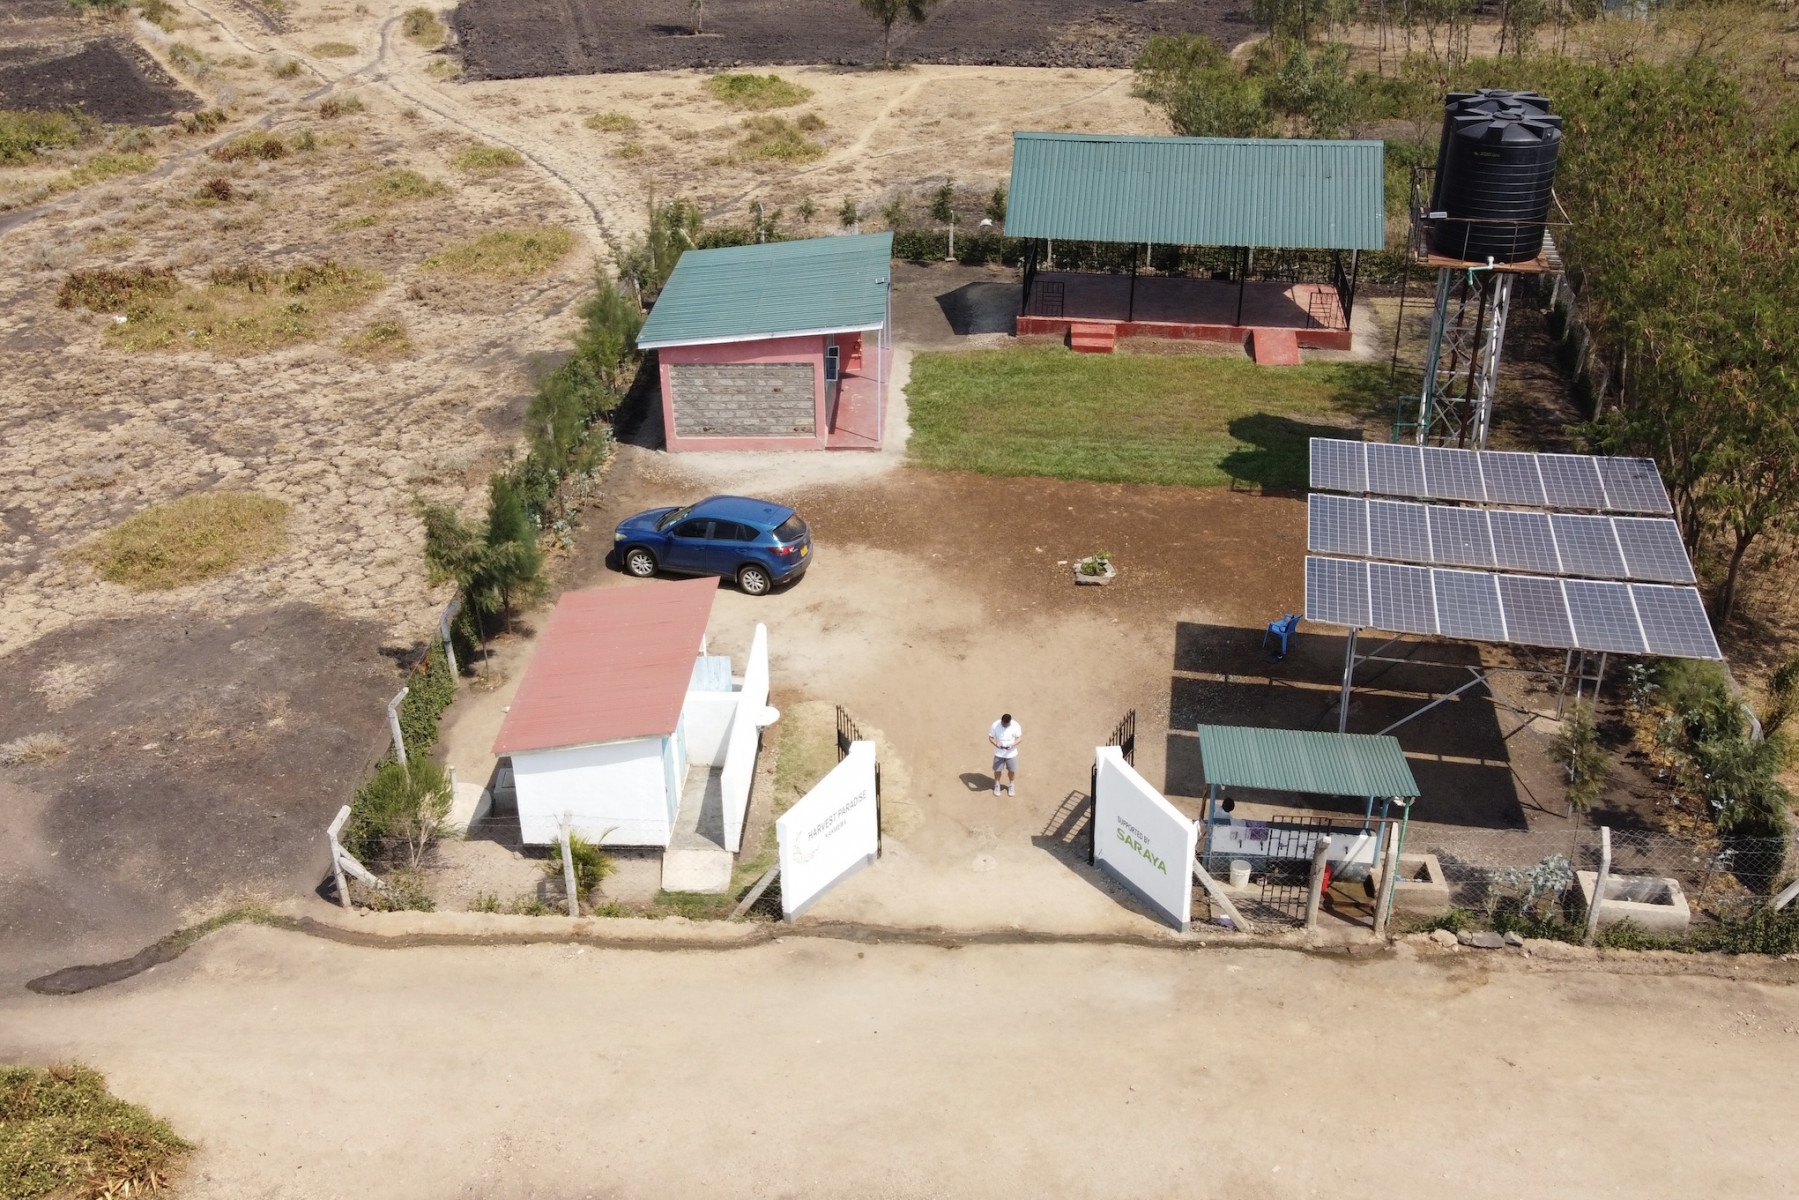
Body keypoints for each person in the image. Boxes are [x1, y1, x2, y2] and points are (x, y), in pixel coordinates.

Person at [988, 713, 1023, 796]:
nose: (1004, 725)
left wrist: (1013, 744)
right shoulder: (995, 725)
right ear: (1001, 721)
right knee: (997, 770)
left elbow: (1019, 738)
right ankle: (997, 784)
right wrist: (996, 744)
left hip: (1011, 754)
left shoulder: (1015, 725)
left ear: (1009, 722)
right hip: (999, 754)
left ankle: (1011, 785)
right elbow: (990, 737)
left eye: (1006, 724)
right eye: (1003, 723)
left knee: (1012, 771)